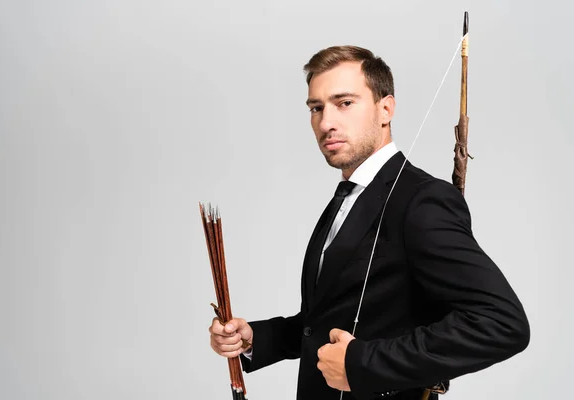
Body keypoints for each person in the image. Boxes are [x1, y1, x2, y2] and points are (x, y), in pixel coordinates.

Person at [208, 45, 530, 400]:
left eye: (344, 103)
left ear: (385, 109)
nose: (326, 122)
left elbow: (502, 324)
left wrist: (361, 365)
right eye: (316, 108)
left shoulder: (422, 200)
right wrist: (257, 338)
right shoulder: (347, 196)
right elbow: (327, 320)